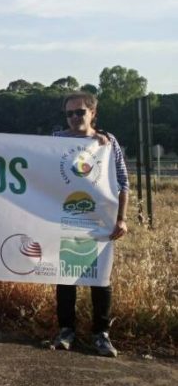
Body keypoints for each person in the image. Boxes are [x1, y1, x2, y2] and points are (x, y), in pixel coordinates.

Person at [50, 91, 128, 357]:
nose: (74, 117)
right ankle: (66, 331)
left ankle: (101, 334)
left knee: (100, 279)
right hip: (65, 217)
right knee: (65, 277)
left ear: (93, 113)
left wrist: (122, 219)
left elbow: (123, 182)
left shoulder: (107, 142)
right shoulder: (56, 140)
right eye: (69, 113)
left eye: (79, 112)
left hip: (99, 220)